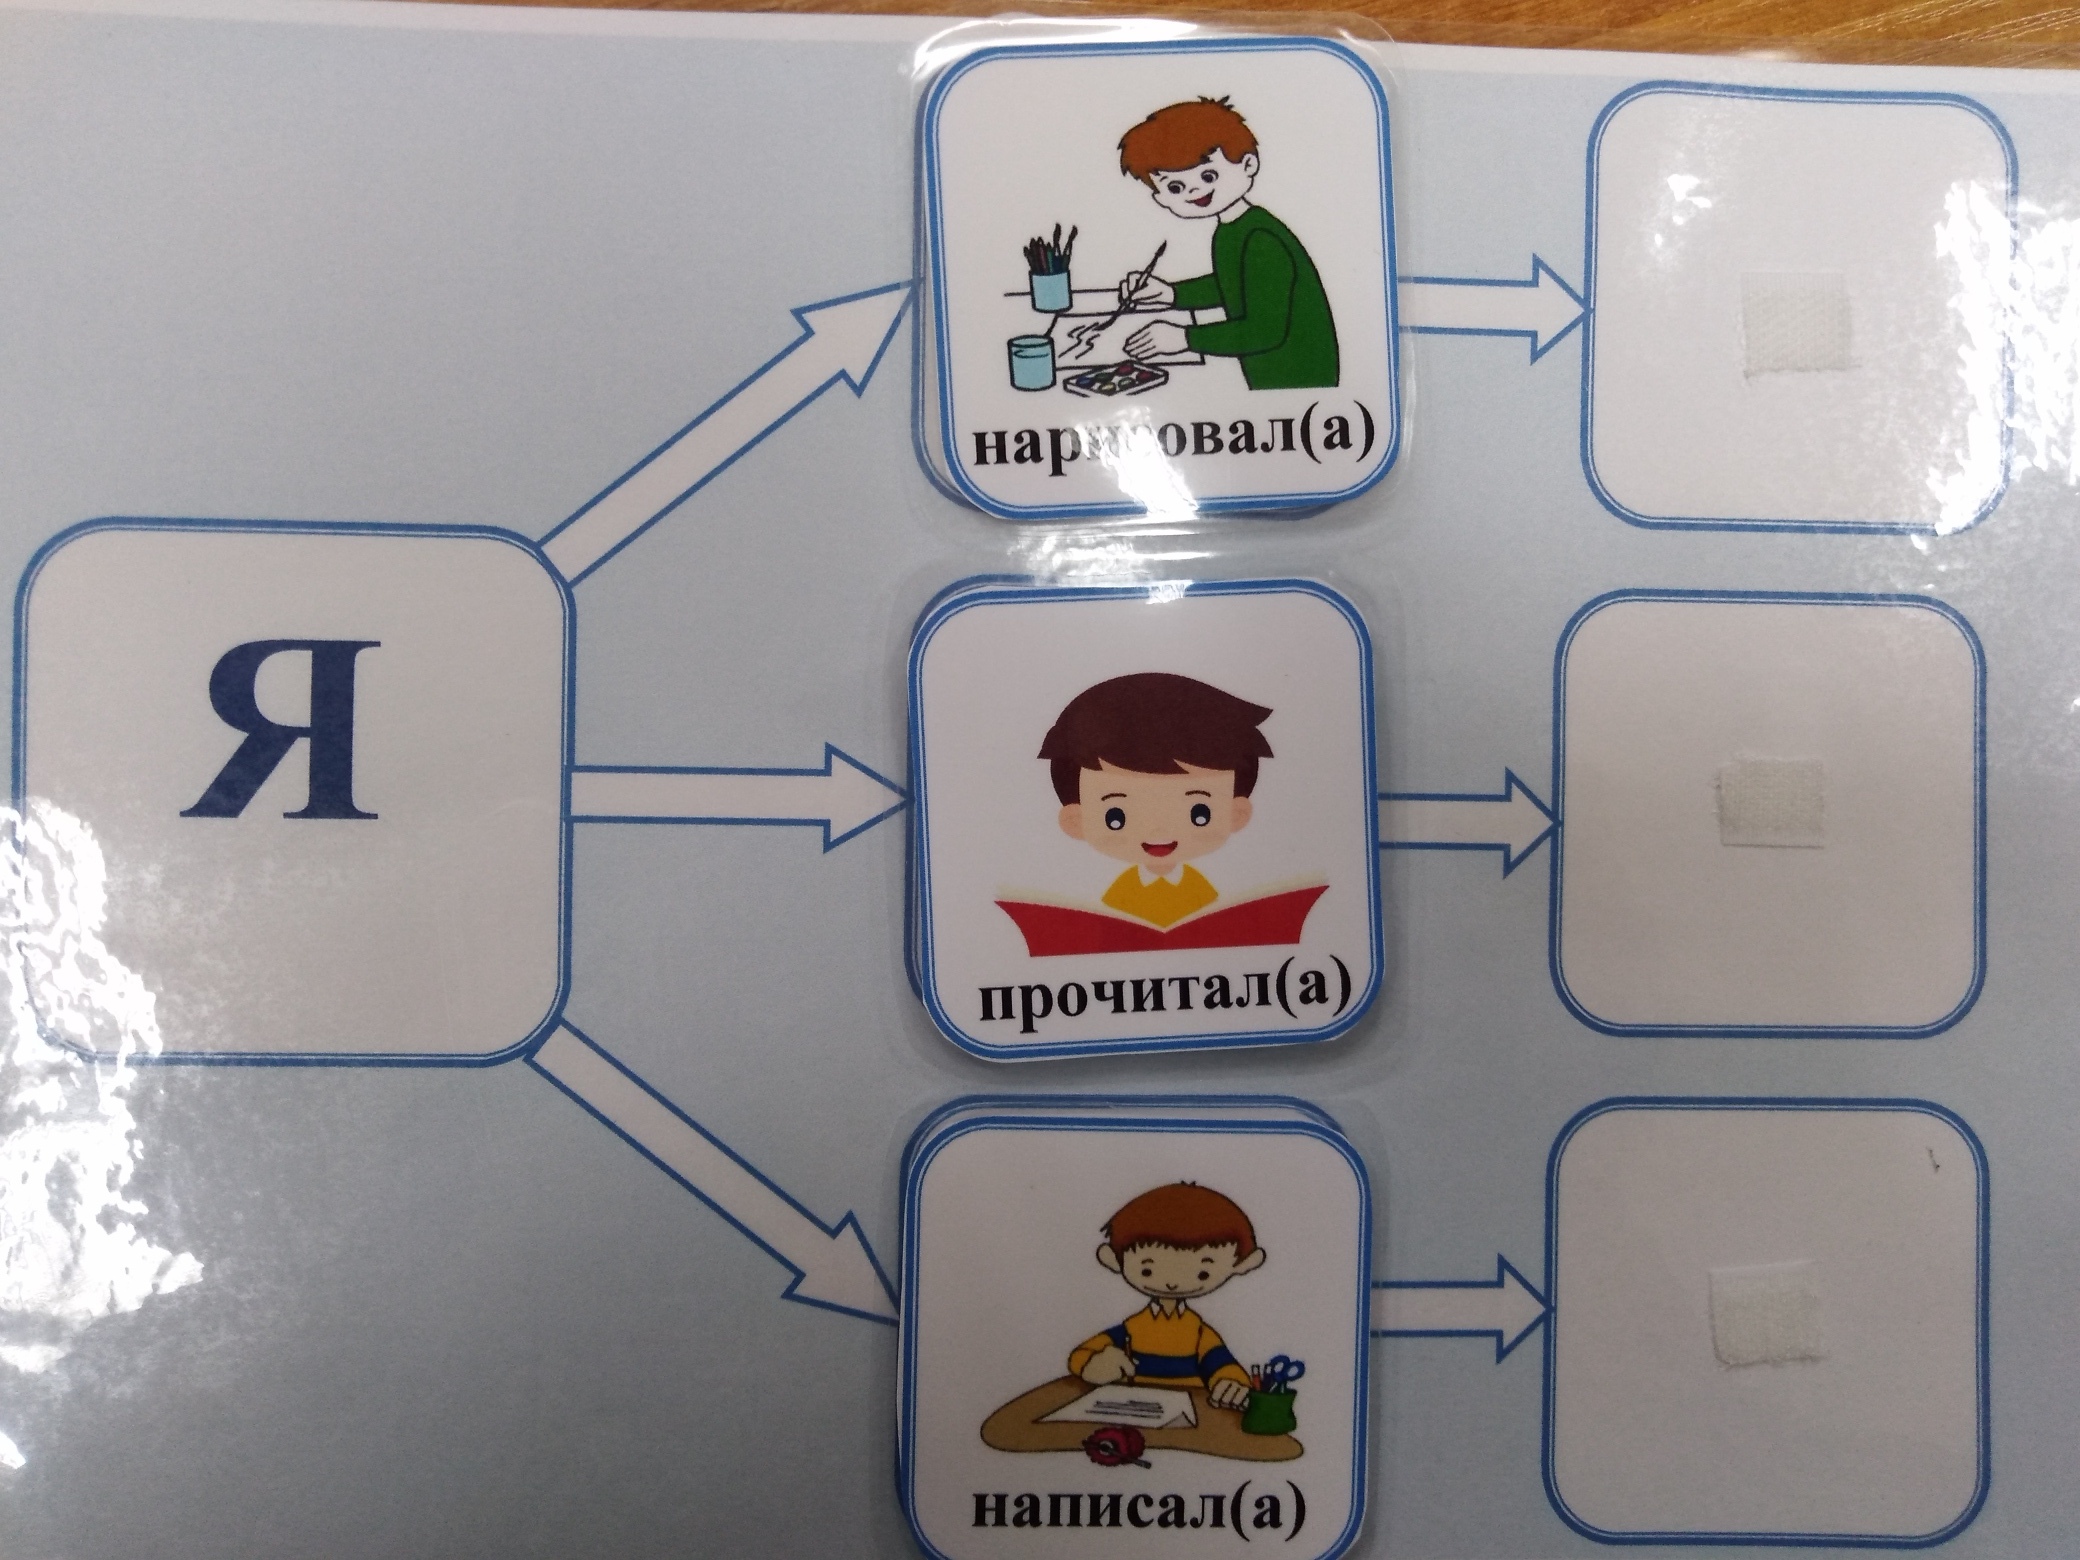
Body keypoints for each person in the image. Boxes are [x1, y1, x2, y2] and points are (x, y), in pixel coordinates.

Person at [1114, 97, 1339, 390]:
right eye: (1175, 187)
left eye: (1208, 175)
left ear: (1248, 164)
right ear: (1160, 198)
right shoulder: (1232, 229)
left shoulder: (1261, 238)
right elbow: (1234, 285)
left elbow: (1264, 330)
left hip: (1299, 375)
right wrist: (1172, 294)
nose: (1194, 190)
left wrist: (1184, 338)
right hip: (1269, 371)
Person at [1039, 671, 1272, 929]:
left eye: (1199, 813)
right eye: (1115, 816)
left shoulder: (1209, 892)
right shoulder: (1115, 896)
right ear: (1075, 820)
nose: (1158, 830)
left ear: (1237, 813)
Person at [1067, 1182, 1267, 1411]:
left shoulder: (1198, 1332)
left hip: (1192, 1415)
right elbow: (1081, 1355)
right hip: (1131, 1410)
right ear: (1114, 1260)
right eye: (1147, 1270)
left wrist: (1231, 1384)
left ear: (1241, 1264)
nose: (1172, 1284)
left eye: (1202, 1273)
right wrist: (1093, 1365)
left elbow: (1221, 1365)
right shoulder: (1132, 1328)